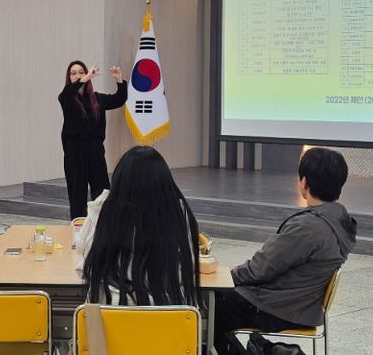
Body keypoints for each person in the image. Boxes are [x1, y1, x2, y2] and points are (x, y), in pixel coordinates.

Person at [214, 147, 357, 355]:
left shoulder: (308, 227)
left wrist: (224, 278)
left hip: (277, 308)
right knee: (215, 303)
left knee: (206, 311)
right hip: (301, 305)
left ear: (304, 182)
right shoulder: (340, 221)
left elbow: (260, 269)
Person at [81, 146, 200, 306]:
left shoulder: (106, 207)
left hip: (110, 311)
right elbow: (188, 265)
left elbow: (84, 251)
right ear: (165, 181)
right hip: (168, 312)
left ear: (119, 180)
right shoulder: (177, 211)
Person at [59, 60, 127, 220]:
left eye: (81, 72)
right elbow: (67, 94)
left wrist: (119, 80)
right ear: (69, 77)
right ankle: (79, 228)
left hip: (95, 151)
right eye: (73, 73)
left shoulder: (97, 98)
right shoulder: (67, 98)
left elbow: (119, 99)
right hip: (74, 154)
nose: (77, 76)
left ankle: (104, 226)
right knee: (77, 194)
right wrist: (86, 77)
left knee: (102, 191)